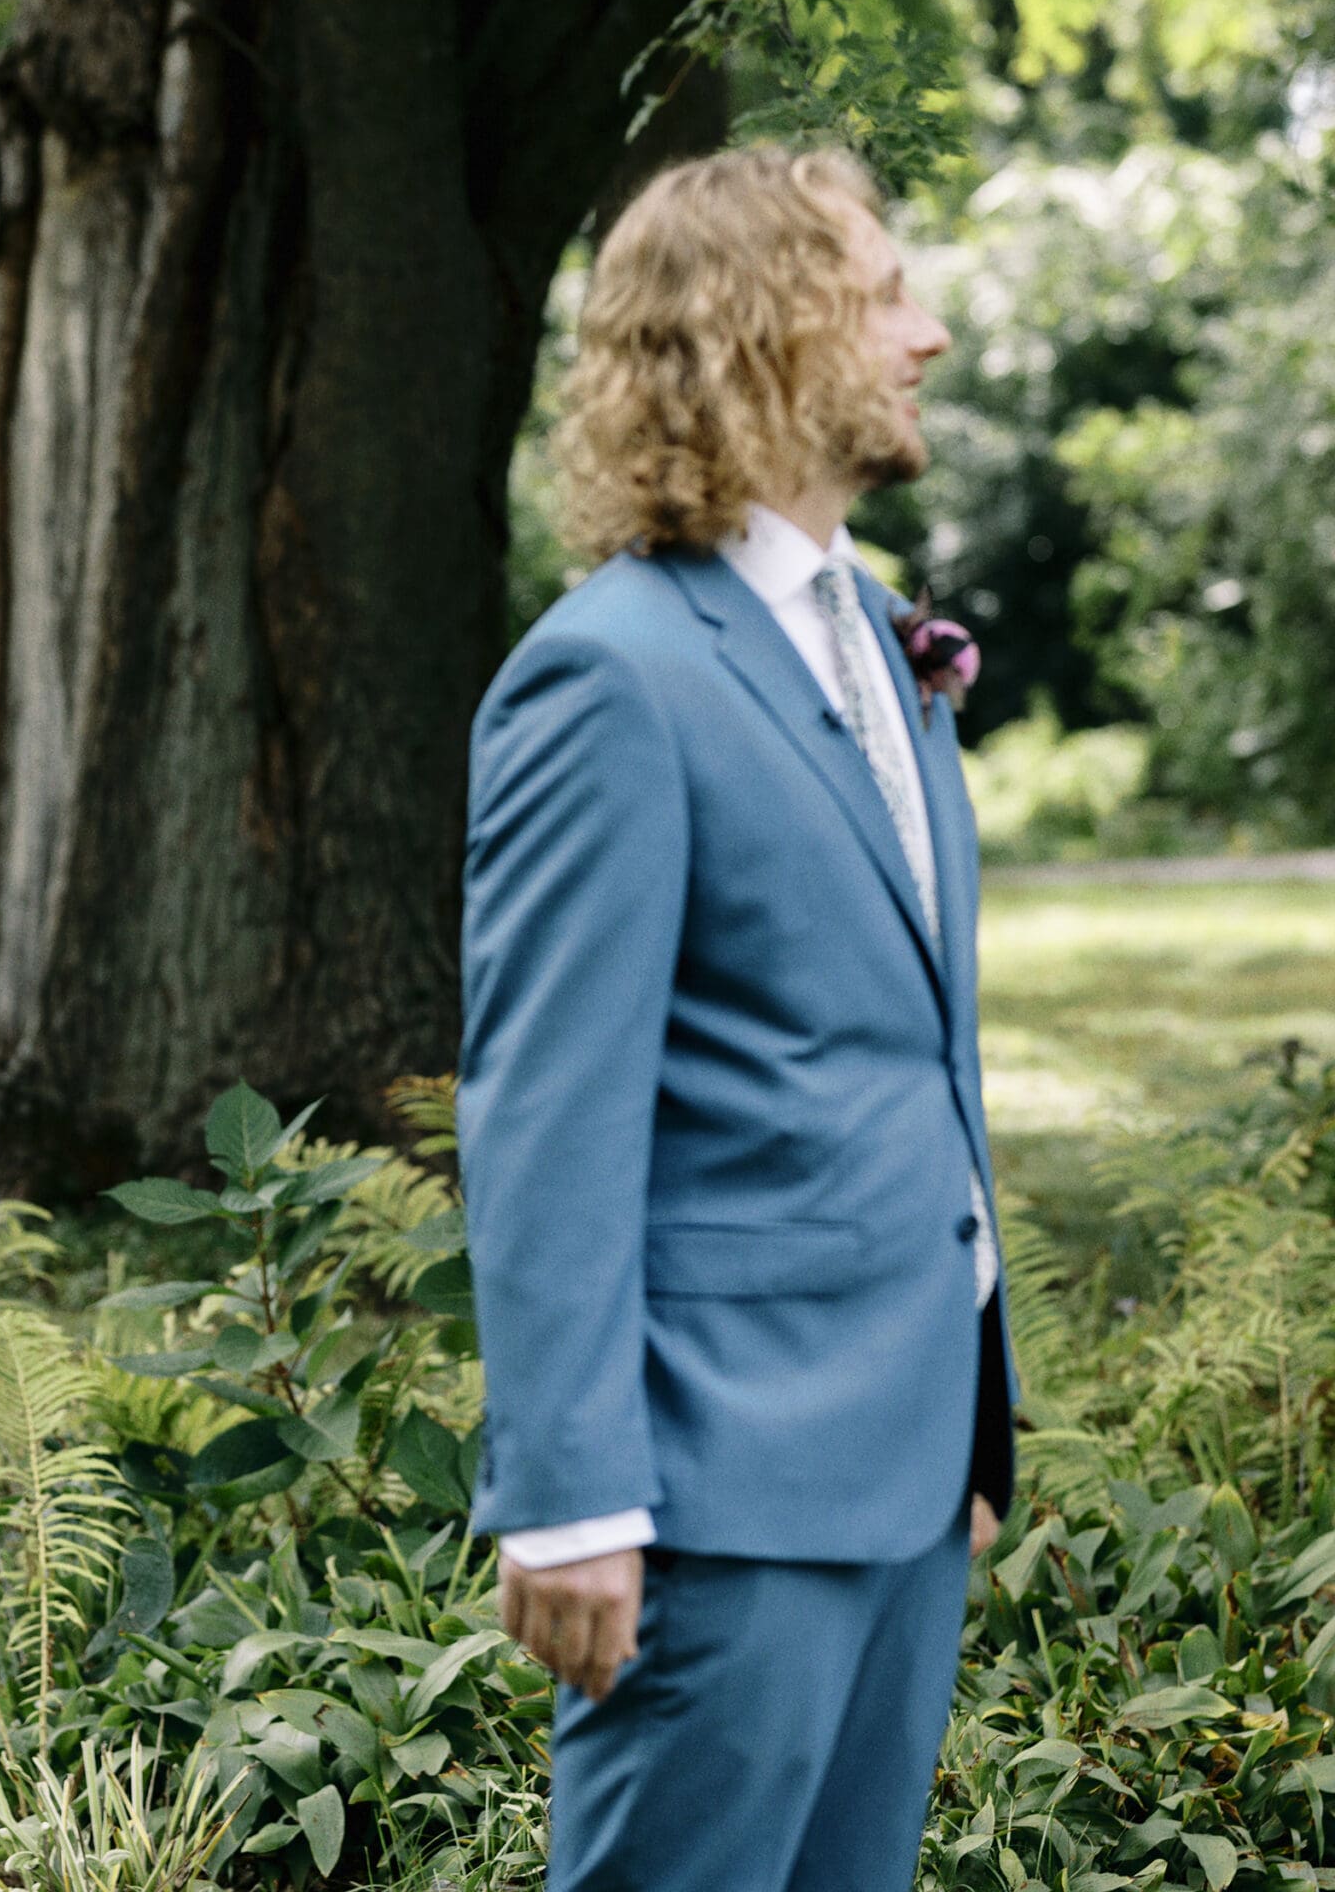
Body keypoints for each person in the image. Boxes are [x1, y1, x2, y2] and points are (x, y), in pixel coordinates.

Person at [457, 145, 1016, 1887]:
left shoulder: (872, 637)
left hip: (910, 1470)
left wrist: (977, 1410)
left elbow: (917, 1053)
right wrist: (569, 1498)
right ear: (765, 333)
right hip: (719, 1488)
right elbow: (548, 1113)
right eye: (883, 296)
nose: (924, 336)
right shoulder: (610, 674)